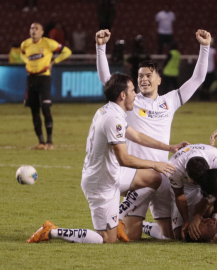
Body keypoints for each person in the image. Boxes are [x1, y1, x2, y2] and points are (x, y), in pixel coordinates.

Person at [26, 72, 181, 244]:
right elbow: (124, 159)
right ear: (123, 95)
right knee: (107, 239)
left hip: (112, 174)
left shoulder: (111, 110)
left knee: (154, 178)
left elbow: (136, 136)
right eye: (132, 91)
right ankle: (52, 231)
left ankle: (118, 216)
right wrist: (155, 163)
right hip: (101, 184)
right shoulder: (113, 119)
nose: (136, 95)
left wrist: (169, 148)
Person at [96, 29, 212, 241]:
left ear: (159, 79)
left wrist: (205, 47)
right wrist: (100, 48)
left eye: (149, 75)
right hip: (139, 176)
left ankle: (149, 226)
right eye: (140, 76)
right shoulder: (130, 101)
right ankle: (134, 224)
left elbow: (198, 78)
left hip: (165, 175)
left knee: (171, 237)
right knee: (131, 237)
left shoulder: (170, 100)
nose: (143, 79)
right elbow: (106, 79)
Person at [21, 22, 72, 150]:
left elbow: (66, 51)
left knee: (45, 108)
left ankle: (49, 142)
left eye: (36, 28)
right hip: (31, 79)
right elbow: (22, 53)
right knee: (34, 110)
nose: (33, 30)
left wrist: (54, 62)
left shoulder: (48, 43)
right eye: (31, 28)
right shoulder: (25, 44)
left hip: (44, 78)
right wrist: (26, 62)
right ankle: (41, 142)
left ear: (42, 32)